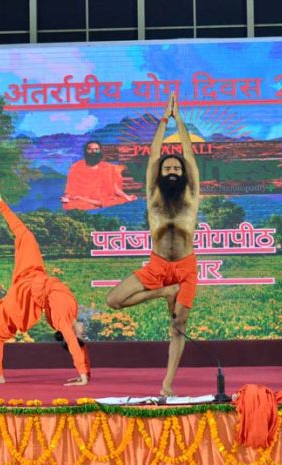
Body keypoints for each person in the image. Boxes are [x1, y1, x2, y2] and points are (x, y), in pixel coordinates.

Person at [106, 93, 200, 397]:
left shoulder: (191, 194)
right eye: (167, 168)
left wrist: (179, 120)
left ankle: (167, 383)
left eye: (176, 169)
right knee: (114, 300)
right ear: (159, 174)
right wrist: (163, 119)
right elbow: (153, 154)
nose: (172, 171)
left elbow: (189, 154)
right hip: (157, 266)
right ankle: (163, 292)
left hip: (185, 268)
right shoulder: (153, 195)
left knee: (178, 326)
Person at [0, 181, 91, 386]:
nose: (85, 334)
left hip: (27, 291)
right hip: (35, 272)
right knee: (26, 236)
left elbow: (74, 342)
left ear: (70, 336)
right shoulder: (72, 314)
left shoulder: (62, 318)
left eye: (82, 336)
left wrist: (82, 375)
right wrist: (86, 373)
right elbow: (77, 343)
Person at [61, 140, 136, 210]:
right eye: (90, 149)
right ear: (85, 151)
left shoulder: (107, 167)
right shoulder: (76, 167)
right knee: (69, 205)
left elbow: (114, 187)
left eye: (96, 149)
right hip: (81, 198)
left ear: (100, 151)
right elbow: (71, 187)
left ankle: (94, 203)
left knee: (116, 200)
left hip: (101, 198)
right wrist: (68, 197)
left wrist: (127, 197)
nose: (93, 151)